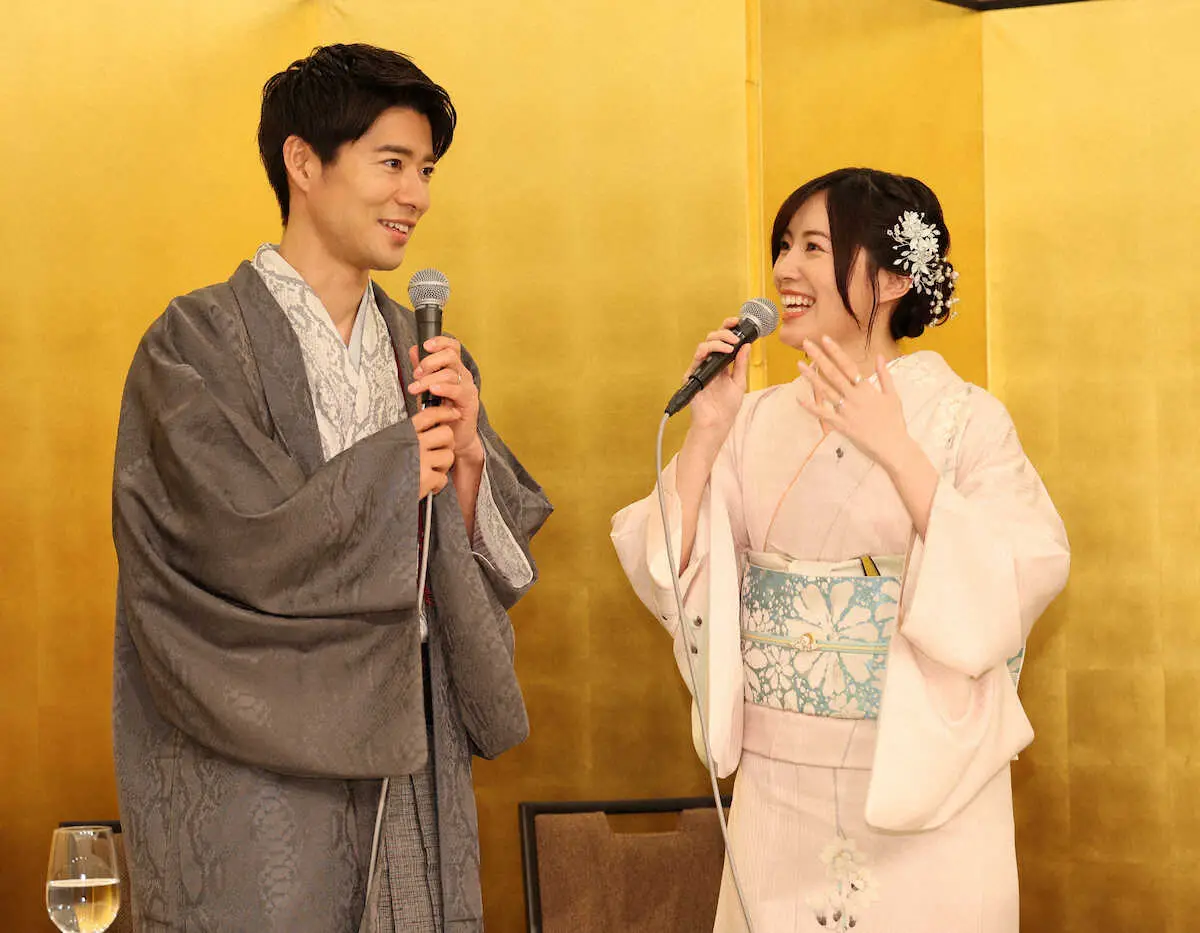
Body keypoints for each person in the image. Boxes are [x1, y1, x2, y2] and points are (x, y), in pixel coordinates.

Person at [111, 43, 551, 933]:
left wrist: (468, 459)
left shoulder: (427, 352)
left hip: (412, 744)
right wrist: (396, 474)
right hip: (261, 760)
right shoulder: (194, 344)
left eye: (425, 170)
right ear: (303, 163)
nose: (415, 194)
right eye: (392, 163)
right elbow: (226, 536)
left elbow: (475, 572)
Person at [611, 167, 1068, 932]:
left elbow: (1017, 573)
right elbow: (671, 566)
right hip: (778, 781)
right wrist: (708, 432)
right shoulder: (754, 420)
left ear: (891, 278)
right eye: (784, 245)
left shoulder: (965, 419)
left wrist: (902, 453)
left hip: (919, 776)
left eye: (814, 247)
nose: (785, 269)